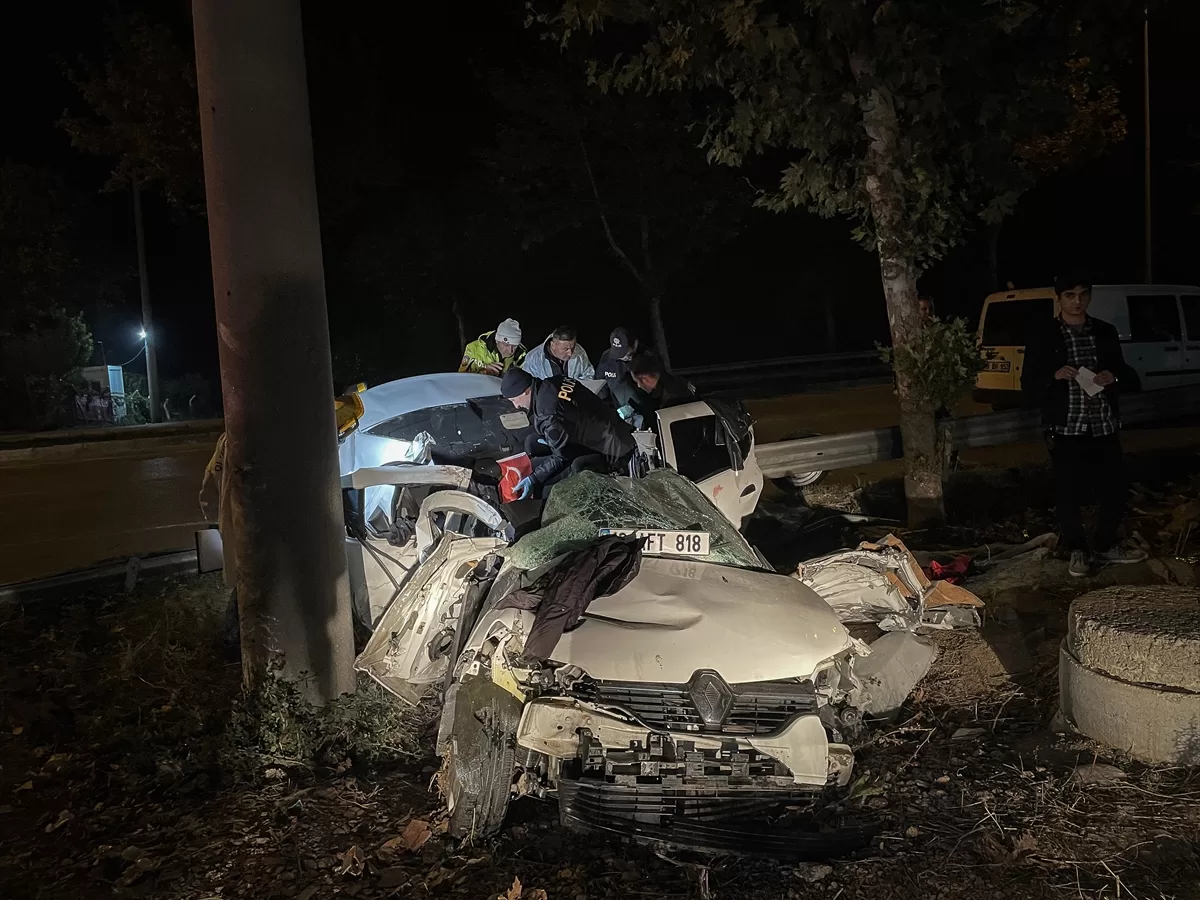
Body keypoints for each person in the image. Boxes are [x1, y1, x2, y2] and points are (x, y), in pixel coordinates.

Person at [1021, 271, 1147, 578]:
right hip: (1066, 428)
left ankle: (1105, 543)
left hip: (1103, 424)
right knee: (1068, 492)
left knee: (1114, 488)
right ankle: (1077, 548)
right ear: (1059, 298)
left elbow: (1127, 374)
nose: (1077, 301)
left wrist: (1113, 376)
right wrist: (1053, 376)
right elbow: (1028, 384)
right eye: (1070, 295)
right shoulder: (1045, 335)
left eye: (1082, 294)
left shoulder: (1104, 331)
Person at [501, 367, 635, 498]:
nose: (516, 406)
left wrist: (534, 478)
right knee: (533, 442)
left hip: (613, 450)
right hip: (611, 426)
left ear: (526, 391)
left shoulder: (548, 415)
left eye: (514, 400)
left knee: (546, 489)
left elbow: (560, 457)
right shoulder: (555, 381)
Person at [199, 432, 240, 653]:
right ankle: (233, 643)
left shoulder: (229, 439)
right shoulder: (282, 436)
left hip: (236, 525)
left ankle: (230, 642)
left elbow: (210, 480)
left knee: (244, 582)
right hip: (267, 532)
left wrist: (213, 516)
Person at [596, 326, 648, 417]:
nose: (621, 356)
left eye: (624, 351)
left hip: (643, 412)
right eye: (617, 352)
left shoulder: (647, 358)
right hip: (617, 413)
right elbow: (600, 386)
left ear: (635, 344)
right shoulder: (606, 359)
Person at [630, 350, 696, 416]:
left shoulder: (670, 398)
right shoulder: (675, 379)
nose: (638, 386)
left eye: (637, 382)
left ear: (645, 378)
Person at [522, 325, 595, 380]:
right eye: (566, 349)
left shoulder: (579, 351)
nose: (570, 353)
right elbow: (530, 386)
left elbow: (588, 375)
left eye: (572, 348)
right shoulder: (533, 359)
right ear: (553, 345)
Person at [459, 317, 526, 375]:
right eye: (506, 345)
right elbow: (461, 377)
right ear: (497, 340)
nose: (510, 350)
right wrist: (483, 372)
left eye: (514, 346)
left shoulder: (522, 355)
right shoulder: (473, 348)